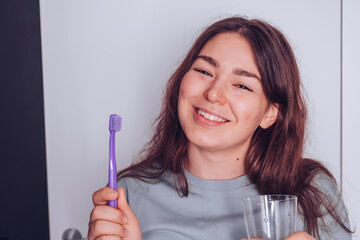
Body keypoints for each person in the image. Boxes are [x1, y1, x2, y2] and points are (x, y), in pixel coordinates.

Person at [88, 16, 353, 240]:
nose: (214, 94)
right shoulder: (127, 195)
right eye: (204, 71)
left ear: (270, 113)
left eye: (242, 85)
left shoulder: (311, 192)